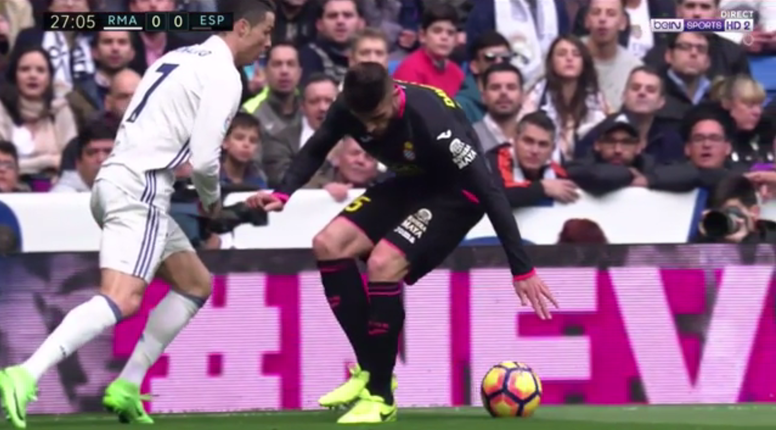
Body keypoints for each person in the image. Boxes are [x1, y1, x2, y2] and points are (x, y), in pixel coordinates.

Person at [0, 0, 276, 428]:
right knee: (122, 298)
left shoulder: (176, 58)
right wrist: (213, 203)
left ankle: (127, 384)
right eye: (266, 32)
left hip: (116, 180)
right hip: (141, 189)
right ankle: (24, 374)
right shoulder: (223, 74)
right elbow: (206, 161)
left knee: (194, 283)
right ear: (242, 27)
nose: (268, 43)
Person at [247, 62, 557, 424]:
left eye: (378, 118)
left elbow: (490, 191)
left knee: (383, 262)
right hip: (411, 183)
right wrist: (283, 192)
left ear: (395, 94)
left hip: (457, 196)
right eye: (363, 121)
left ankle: (381, 397)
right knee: (328, 244)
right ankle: (370, 369)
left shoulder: (434, 122)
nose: (370, 129)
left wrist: (522, 269)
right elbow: (317, 147)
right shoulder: (348, 106)